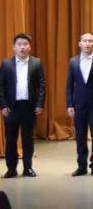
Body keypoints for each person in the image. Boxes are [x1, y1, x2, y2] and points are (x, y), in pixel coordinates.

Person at [0, 33, 46, 178]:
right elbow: (1, 87)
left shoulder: (36, 63)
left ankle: (28, 168)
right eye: (19, 44)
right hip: (11, 108)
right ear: (14, 47)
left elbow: (41, 85)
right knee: (10, 139)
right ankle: (11, 169)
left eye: (25, 44)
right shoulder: (6, 64)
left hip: (29, 107)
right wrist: (3, 105)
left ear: (29, 47)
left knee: (28, 139)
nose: (22, 47)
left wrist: (39, 104)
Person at [65, 32, 93, 176]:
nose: (87, 43)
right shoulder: (73, 61)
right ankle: (81, 165)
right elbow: (69, 85)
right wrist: (69, 104)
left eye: (90, 41)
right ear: (80, 43)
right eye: (85, 41)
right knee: (80, 136)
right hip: (78, 104)